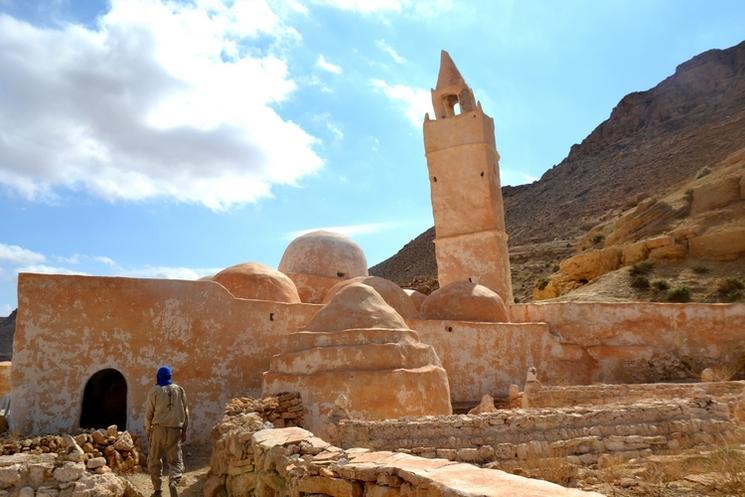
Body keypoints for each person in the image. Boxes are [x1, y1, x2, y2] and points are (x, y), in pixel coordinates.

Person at [144, 365, 189, 497]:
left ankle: (157, 489)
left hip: (158, 429)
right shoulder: (179, 390)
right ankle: (173, 482)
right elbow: (185, 411)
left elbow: (149, 413)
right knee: (175, 460)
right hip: (175, 429)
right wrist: (184, 430)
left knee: (154, 459)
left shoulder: (154, 391)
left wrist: (148, 430)